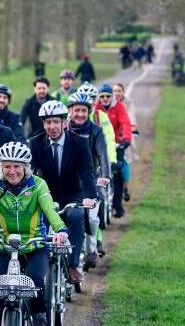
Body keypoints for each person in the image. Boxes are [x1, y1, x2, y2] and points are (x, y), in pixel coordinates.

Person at [0, 141, 69, 326]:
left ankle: (39, 319)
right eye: (7, 166)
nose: (12, 171)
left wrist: (60, 229)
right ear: (1, 168)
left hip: (34, 246)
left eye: (16, 166)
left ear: (26, 168)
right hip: (5, 246)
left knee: (35, 282)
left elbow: (50, 210)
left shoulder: (38, 185)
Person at [29, 100, 98, 283]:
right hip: (46, 196)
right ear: (43, 124)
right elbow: (29, 173)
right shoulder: (35, 144)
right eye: (48, 123)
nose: (52, 127)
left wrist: (90, 196)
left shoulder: (80, 143)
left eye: (56, 122)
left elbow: (86, 172)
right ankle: (33, 262)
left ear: (64, 122)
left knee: (76, 216)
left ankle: (73, 265)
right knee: (36, 222)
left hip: (73, 195)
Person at [66, 92, 111, 268]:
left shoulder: (96, 131)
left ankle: (91, 249)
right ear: (70, 111)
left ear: (89, 111)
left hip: (90, 181)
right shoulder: (63, 129)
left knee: (92, 218)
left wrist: (105, 176)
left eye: (84, 110)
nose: (80, 114)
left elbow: (102, 156)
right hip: (68, 181)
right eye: (76, 110)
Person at [77, 82, 116, 254]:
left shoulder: (100, 119)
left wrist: (109, 168)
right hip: (72, 175)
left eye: (93, 99)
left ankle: (97, 240)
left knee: (97, 202)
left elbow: (107, 145)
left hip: (94, 169)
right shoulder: (68, 123)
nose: (81, 112)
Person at [94, 85, 132, 218]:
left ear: (112, 97)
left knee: (119, 172)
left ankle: (117, 205)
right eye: (102, 96)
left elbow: (125, 123)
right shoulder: (95, 108)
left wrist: (126, 139)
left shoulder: (119, 106)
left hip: (115, 144)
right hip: (98, 144)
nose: (105, 99)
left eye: (108, 96)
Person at [113, 83, 139, 202]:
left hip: (124, 137)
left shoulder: (128, 103)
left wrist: (131, 129)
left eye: (119, 91)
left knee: (126, 161)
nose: (117, 93)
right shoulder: (109, 102)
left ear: (123, 92)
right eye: (115, 91)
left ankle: (126, 189)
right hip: (111, 137)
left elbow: (131, 118)